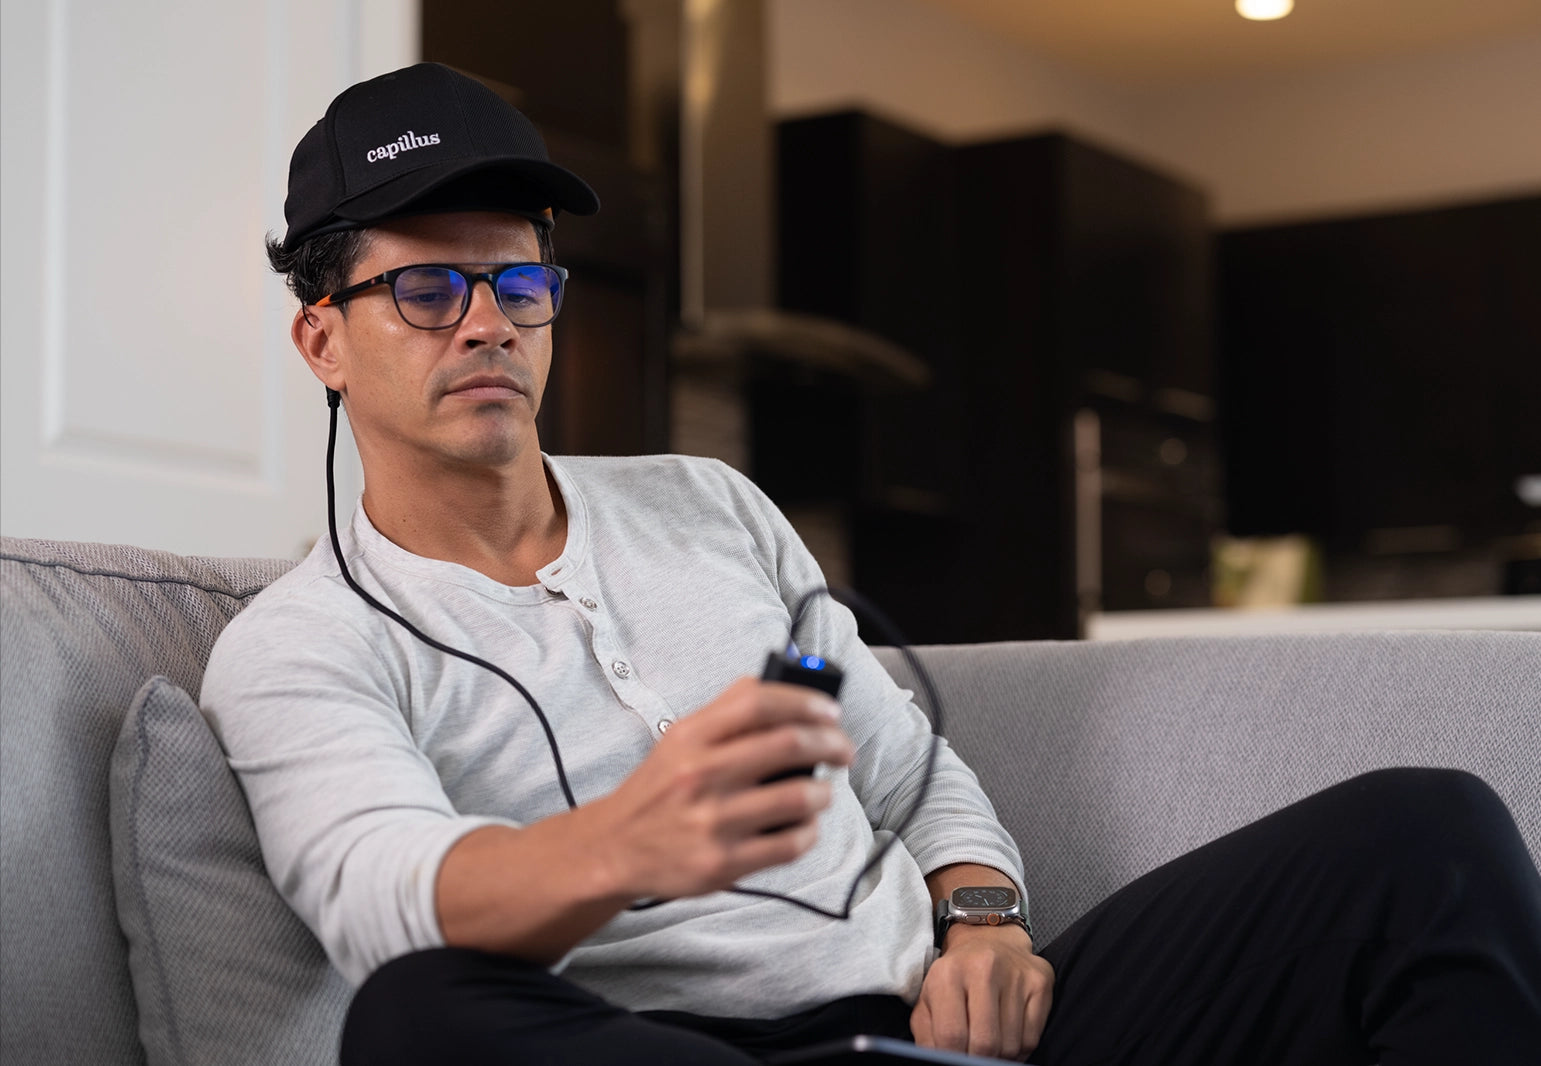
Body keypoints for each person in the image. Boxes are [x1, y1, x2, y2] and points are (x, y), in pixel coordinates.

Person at [202, 62, 1541, 1065]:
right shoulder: (302, 641)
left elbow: (910, 775)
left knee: (1424, 830)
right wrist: (624, 841)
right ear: (322, 339)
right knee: (417, 1017)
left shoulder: (707, 503)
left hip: (947, 1031)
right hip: (683, 1048)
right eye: (428, 290)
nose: (485, 322)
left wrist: (983, 923)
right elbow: (387, 904)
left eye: (519, 283)